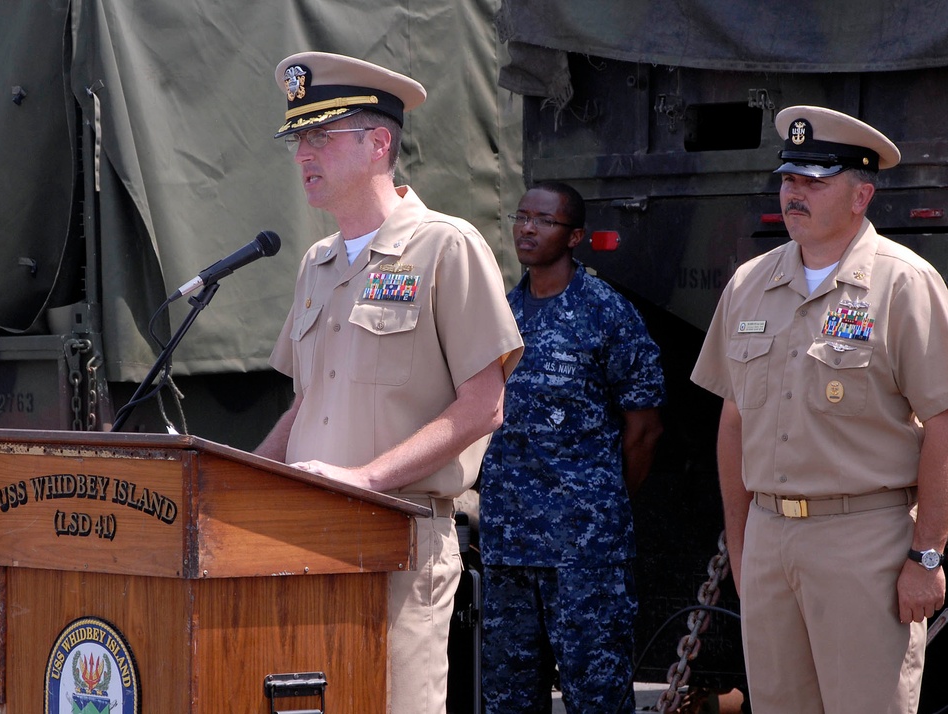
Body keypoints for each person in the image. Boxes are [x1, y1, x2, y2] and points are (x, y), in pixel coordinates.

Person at [253, 51, 524, 714]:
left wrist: (367, 480)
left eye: (319, 137)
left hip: (396, 544)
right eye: (298, 140)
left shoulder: (445, 247)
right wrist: (242, 480)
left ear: (377, 144)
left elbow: (484, 406)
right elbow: (306, 403)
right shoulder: (316, 264)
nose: (302, 156)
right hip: (305, 541)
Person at [691, 105, 948, 714]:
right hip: (771, 540)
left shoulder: (903, 284)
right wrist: (743, 541)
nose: (794, 193)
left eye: (815, 180)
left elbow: (942, 423)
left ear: (862, 194)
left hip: (864, 542)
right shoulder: (750, 282)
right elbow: (734, 422)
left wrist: (927, 555)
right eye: (789, 179)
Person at [479, 181, 666, 713]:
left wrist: (597, 505)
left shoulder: (606, 313)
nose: (528, 228)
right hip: (507, 548)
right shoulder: (502, 313)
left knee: (596, 699)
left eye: (544, 220)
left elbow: (645, 429)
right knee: (509, 700)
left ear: (576, 236)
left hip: (584, 554)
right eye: (521, 217)